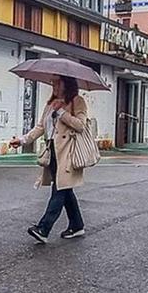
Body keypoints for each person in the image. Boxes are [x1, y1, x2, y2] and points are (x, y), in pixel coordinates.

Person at [10, 75, 89, 244]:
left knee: (59, 190)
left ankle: (43, 228)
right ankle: (77, 225)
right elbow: (40, 127)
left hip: (68, 153)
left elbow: (81, 125)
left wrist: (61, 112)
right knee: (65, 189)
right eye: (53, 82)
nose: (53, 85)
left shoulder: (77, 101)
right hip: (52, 152)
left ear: (66, 84)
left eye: (57, 82)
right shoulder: (50, 103)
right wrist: (23, 140)